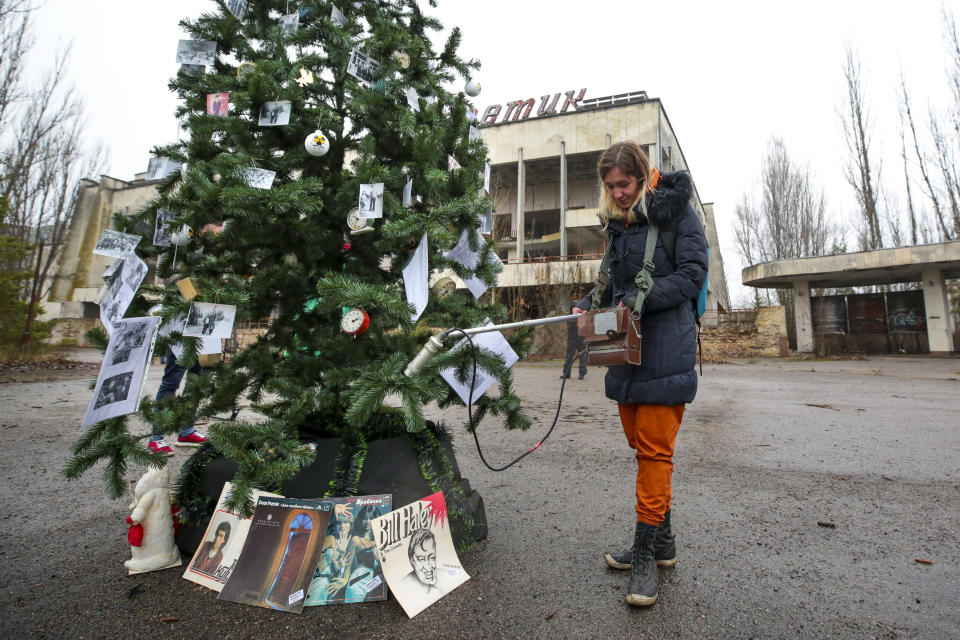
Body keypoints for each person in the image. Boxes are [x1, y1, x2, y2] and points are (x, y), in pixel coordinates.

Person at [573, 141, 707, 607]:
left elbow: (692, 275)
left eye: (624, 184)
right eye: (611, 187)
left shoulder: (677, 213)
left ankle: (646, 554)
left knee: (654, 452)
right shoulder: (619, 225)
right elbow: (613, 284)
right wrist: (588, 305)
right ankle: (663, 541)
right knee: (641, 446)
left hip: (667, 346)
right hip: (625, 352)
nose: (619, 193)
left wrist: (642, 298)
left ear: (643, 176)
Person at [397, 528, 444, 596]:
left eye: (432, 558)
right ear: (412, 561)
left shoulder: (445, 575)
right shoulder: (404, 587)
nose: (428, 567)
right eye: (421, 559)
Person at [561, 300, 587, 380]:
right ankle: (566, 373)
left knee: (583, 357)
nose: (575, 309)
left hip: (581, 338)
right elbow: (571, 323)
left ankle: (581, 373)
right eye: (574, 307)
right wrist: (575, 315)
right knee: (569, 357)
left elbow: (586, 325)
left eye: (577, 307)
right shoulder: (569, 316)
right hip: (572, 339)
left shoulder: (583, 315)